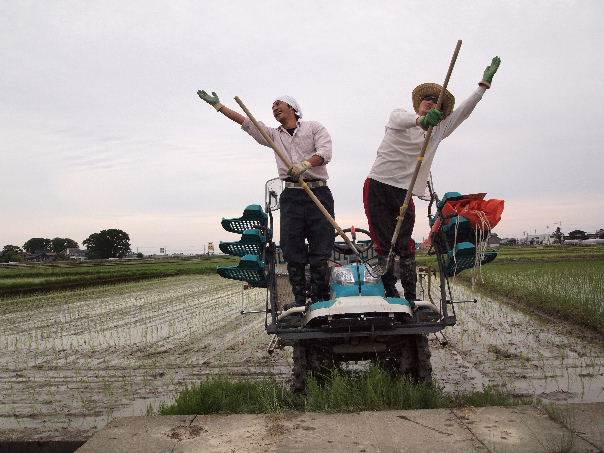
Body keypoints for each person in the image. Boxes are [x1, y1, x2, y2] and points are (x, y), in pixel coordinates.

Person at [364, 57, 501, 300]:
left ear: (440, 111)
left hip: (404, 191)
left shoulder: (438, 130)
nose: (429, 102)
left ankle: (410, 296)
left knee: (404, 246)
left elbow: (463, 113)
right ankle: (388, 292)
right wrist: (421, 121)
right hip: (377, 185)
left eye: (434, 101)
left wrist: (482, 87)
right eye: (426, 100)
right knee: (383, 243)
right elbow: (400, 119)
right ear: (419, 105)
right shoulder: (401, 117)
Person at [196, 91, 335, 309]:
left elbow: (325, 152)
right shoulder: (273, 135)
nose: (274, 107)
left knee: (320, 248)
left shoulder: (314, 127)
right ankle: (300, 301)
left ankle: (320, 299)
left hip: (318, 192)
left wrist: (305, 165)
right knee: (292, 249)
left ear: (293, 107)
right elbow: (246, 122)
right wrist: (219, 106)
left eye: (278, 104)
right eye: (272, 106)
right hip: (291, 194)